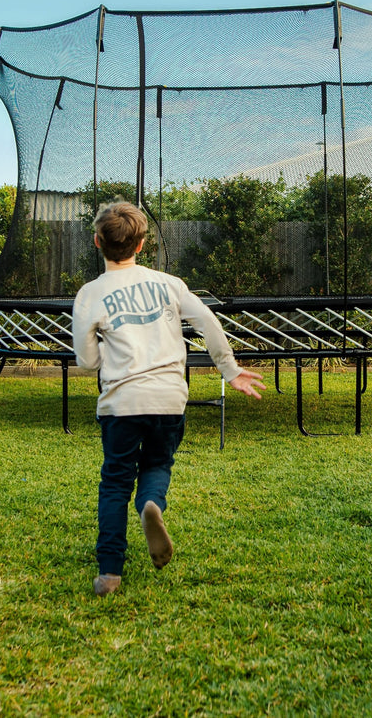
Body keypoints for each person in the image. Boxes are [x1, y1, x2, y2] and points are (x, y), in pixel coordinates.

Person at [72, 201, 265, 597]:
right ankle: (151, 504)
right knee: (158, 462)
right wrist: (229, 370)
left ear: (97, 242)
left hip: (121, 403)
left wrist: (107, 348)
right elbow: (208, 321)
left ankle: (110, 573)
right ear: (142, 244)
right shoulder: (170, 284)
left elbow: (88, 362)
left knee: (115, 482)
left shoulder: (90, 294)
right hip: (169, 399)